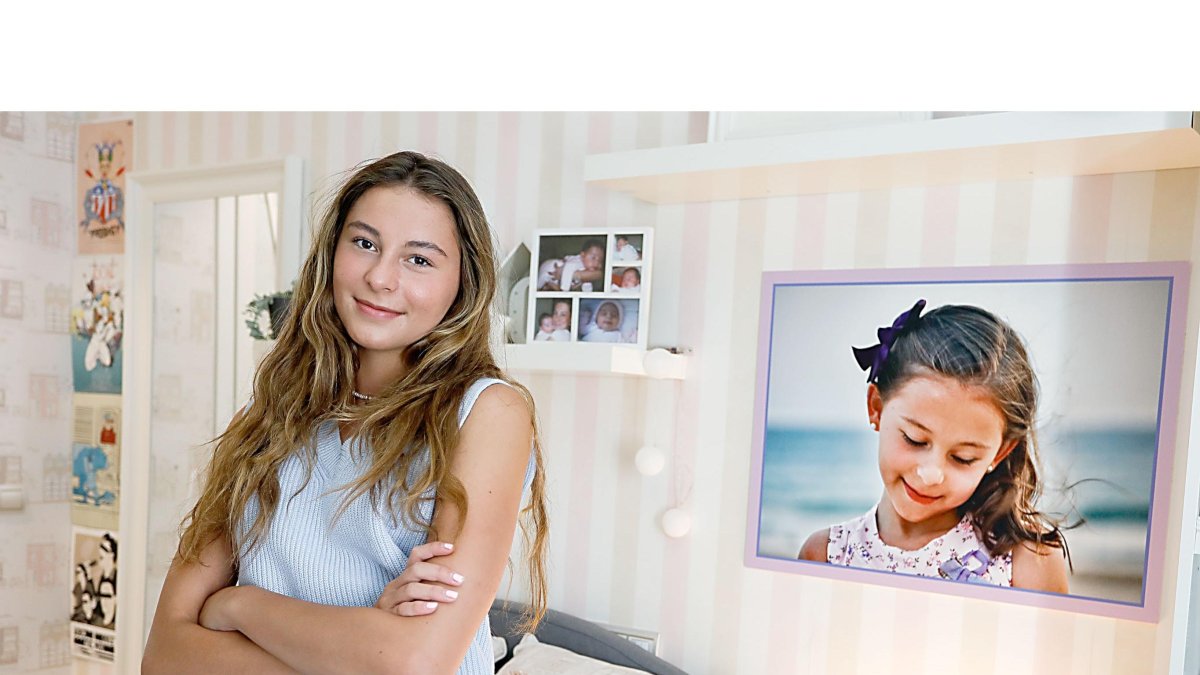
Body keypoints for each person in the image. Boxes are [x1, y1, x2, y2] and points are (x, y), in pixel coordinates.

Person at [142, 151, 549, 675]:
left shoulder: (486, 413)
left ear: (462, 283)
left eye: (419, 260)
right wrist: (358, 643)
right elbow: (164, 655)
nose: (380, 277)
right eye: (365, 244)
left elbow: (414, 663)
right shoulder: (268, 413)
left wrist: (239, 606)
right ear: (332, 253)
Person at [799, 300, 1069, 592]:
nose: (931, 474)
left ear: (999, 453)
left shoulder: (1028, 560)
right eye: (914, 439)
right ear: (876, 407)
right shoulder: (826, 556)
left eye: (963, 458)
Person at [536, 239, 605, 292]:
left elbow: (586, 281)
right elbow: (568, 268)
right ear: (582, 255)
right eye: (593, 258)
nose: (596, 263)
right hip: (549, 267)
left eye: (600, 260)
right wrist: (565, 289)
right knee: (540, 283)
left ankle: (547, 285)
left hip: (557, 279)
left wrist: (587, 292)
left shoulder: (587, 269)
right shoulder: (578, 262)